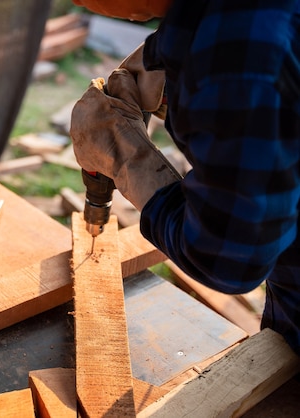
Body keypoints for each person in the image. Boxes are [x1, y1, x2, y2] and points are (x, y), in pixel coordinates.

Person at [69, 0, 300, 356]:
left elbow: (230, 259)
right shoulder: (229, 21)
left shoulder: (242, 47)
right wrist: (175, 62)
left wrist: (128, 159)